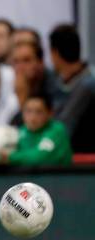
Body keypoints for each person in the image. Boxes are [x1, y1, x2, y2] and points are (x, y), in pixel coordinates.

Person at [0, 94, 72, 166]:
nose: (32, 118)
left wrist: (10, 158)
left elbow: (41, 157)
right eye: (28, 111)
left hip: (58, 183)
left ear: (50, 114)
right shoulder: (21, 131)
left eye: (39, 112)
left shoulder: (57, 130)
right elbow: (8, 155)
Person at [49, 24, 95, 153]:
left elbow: (64, 129)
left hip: (83, 162)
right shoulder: (56, 81)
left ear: (55, 53)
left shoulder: (88, 85)